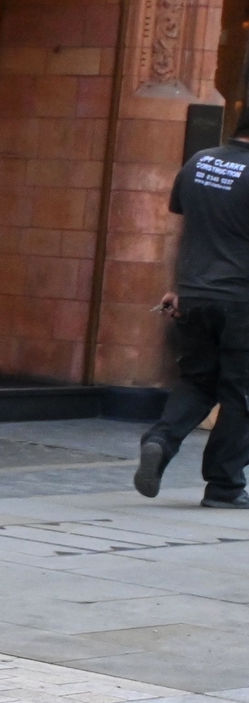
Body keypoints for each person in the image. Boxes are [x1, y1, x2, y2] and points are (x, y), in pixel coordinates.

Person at [139, 116, 249, 508]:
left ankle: (159, 441)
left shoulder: (198, 162)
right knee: (241, 394)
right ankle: (224, 487)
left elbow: (177, 233)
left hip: (194, 293)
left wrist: (176, 287)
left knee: (197, 380)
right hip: (241, 301)